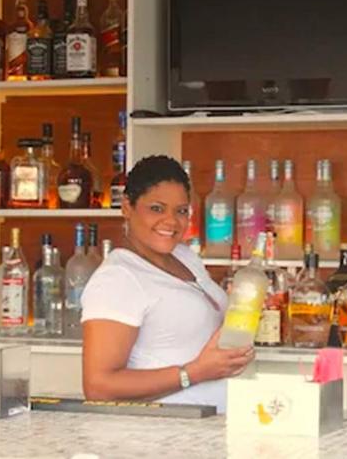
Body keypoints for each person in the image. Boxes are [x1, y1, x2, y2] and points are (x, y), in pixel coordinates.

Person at [81, 155, 254, 412]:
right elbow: (99, 387)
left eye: (181, 211)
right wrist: (194, 372)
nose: (171, 221)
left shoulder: (184, 256)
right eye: (157, 208)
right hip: (160, 431)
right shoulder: (118, 278)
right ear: (127, 207)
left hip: (208, 425)